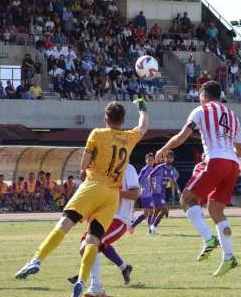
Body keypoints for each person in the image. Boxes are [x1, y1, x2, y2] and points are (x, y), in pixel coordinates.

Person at [14, 100, 149, 297]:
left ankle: (36, 260)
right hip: (111, 196)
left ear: (106, 118)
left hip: (93, 186)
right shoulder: (129, 137)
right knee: (93, 239)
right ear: (123, 120)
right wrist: (143, 107)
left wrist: (86, 173)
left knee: (65, 223)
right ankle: (82, 281)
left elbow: (83, 167)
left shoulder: (97, 134)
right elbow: (144, 126)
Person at [155, 80, 241, 276]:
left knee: (186, 199)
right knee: (215, 210)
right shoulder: (232, 115)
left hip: (216, 161)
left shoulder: (200, 110)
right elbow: (240, 150)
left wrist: (164, 149)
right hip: (232, 165)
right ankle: (229, 257)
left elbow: (181, 136)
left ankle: (208, 238)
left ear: (203, 96)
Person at [68, 163, 141, 296]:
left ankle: (94, 286)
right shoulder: (104, 168)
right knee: (84, 247)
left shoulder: (128, 168)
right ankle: (119, 272)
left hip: (119, 219)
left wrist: (112, 192)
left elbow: (135, 194)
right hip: (102, 217)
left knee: (93, 244)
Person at [148, 150, 179, 234]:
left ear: (173, 159)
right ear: (164, 158)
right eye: (167, 157)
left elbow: (174, 179)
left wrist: (178, 190)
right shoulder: (160, 167)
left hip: (162, 192)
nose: (169, 159)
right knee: (164, 209)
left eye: (171, 158)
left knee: (156, 211)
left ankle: (151, 230)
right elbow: (150, 176)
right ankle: (153, 226)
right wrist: (152, 187)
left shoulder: (172, 169)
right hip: (156, 192)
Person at [130, 153, 155, 232]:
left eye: (152, 160)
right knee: (151, 212)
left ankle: (132, 226)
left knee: (145, 214)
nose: (150, 162)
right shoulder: (145, 170)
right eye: (149, 160)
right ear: (145, 161)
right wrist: (138, 190)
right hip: (146, 194)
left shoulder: (152, 169)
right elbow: (138, 180)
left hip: (150, 194)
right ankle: (151, 230)